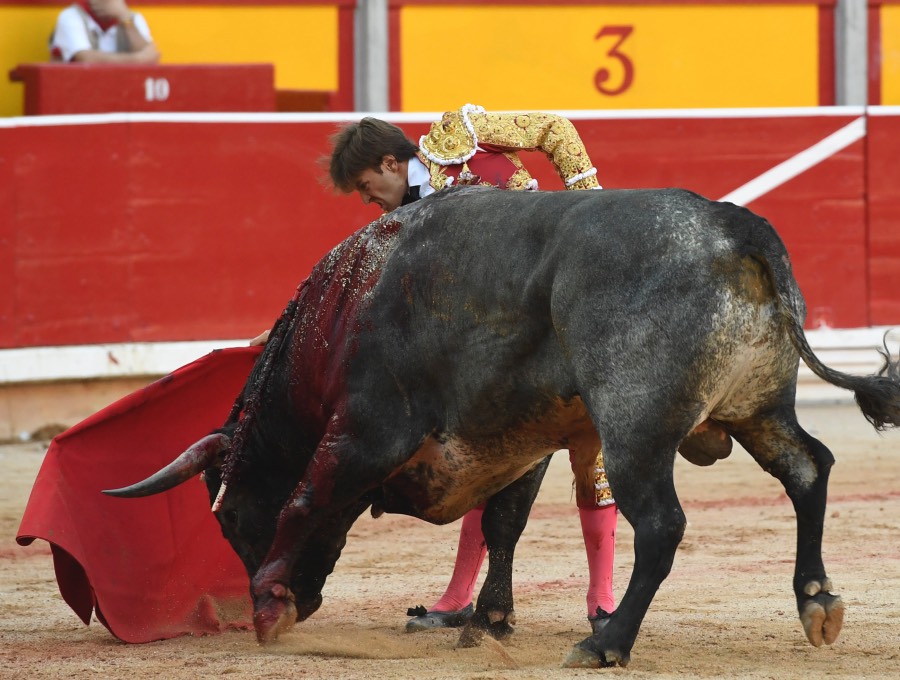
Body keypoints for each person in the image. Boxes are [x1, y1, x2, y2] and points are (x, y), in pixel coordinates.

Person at [326, 104, 618, 634]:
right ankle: (461, 594)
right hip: (498, 351)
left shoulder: (458, 137)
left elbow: (553, 128)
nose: (367, 200)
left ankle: (603, 600)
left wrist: (585, 204)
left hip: (558, 309)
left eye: (367, 186)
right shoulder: (400, 227)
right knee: (492, 463)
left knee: (590, 456)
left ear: (391, 163)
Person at [49, 0, 160, 64]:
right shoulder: (71, 16)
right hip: (78, 94)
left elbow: (151, 58)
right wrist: (138, 60)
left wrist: (124, 17)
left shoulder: (132, 17)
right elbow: (85, 59)